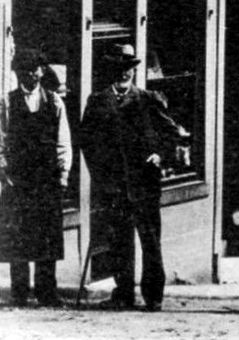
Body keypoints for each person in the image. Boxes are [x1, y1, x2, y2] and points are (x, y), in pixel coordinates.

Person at [79, 44, 175, 311]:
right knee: (119, 241)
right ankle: (124, 293)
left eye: (129, 69)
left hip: (145, 185)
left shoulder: (148, 99)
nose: (125, 74)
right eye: (120, 69)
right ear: (112, 70)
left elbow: (172, 133)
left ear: (134, 70)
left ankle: (153, 296)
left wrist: (160, 155)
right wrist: (101, 177)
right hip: (114, 187)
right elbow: (87, 142)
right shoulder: (97, 101)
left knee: (150, 242)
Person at [0, 49, 72, 308]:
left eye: (35, 69)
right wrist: (3, 171)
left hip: (47, 180)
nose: (31, 74)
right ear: (19, 73)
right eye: (25, 70)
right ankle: (19, 292)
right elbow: (2, 139)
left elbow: (64, 142)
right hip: (17, 181)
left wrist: (63, 174)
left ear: (42, 72)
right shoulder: (7, 104)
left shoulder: (54, 102)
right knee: (18, 236)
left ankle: (46, 292)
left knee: (46, 238)